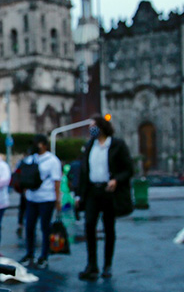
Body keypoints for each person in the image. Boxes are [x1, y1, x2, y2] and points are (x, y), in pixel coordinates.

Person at [75, 115, 134, 280]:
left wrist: (116, 179)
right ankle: (91, 265)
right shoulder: (89, 146)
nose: (91, 129)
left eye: (94, 126)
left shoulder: (117, 145)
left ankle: (107, 265)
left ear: (102, 127)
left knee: (109, 228)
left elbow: (128, 169)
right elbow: (83, 171)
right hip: (93, 191)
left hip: (109, 191)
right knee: (89, 225)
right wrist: (79, 194)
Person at [20, 135, 63, 269]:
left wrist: (57, 200)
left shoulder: (52, 161)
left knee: (45, 228)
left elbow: (57, 181)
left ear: (43, 144)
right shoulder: (30, 159)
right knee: (30, 227)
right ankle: (30, 254)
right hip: (32, 198)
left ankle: (44, 256)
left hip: (46, 198)